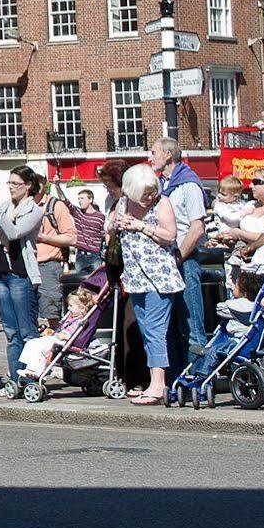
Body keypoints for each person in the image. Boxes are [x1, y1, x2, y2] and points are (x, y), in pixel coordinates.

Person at [110, 164, 184, 406]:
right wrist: (114, 225)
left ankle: (158, 384)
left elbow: (170, 235)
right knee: (145, 330)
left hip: (160, 277)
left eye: (152, 191)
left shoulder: (162, 203)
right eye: (145, 194)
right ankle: (155, 381)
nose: (150, 197)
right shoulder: (122, 203)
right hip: (135, 277)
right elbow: (109, 227)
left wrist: (140, 226)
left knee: (154, 329)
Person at [149, 138, 210, 378]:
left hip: (185, 262)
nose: (150, 157)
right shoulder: (162, 186)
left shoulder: (189, 185)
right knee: (170, 325)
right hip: (166, 263)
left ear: (167, 155)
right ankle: (177, 379)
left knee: (192, 322)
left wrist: (178, 258)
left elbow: (197, 229)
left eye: (154, 152)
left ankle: (199, 378)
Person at [0, 167, 46, 396]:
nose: (11, 187)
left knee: (27, 333)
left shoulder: (34, 211)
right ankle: (14, 381)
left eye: (15, 184)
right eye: (9, 183)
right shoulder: (3, 207)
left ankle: (31, 379)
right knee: (11, 333)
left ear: (28, 186)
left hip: (21, 276)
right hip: (0, 274)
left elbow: (13, 233)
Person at [35, 173, 78, 324]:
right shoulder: (21, 205)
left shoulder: (55, 206)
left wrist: (43, 238)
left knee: (51, 314)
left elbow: (71, 238)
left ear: (44, 183)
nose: (36, 185)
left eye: (39, 181)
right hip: (25, 267)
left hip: (48, 266)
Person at [70, 187, 106, 273]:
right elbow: (66, 202)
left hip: (95, 255)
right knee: (80, 283)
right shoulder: (78, 213)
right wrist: (57, 186)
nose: (80, 201)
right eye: (78, 199)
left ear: (90, 199)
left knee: (97, 282)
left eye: (82, 198)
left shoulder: (100, 217)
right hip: (80, 256)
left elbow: (103, 235)